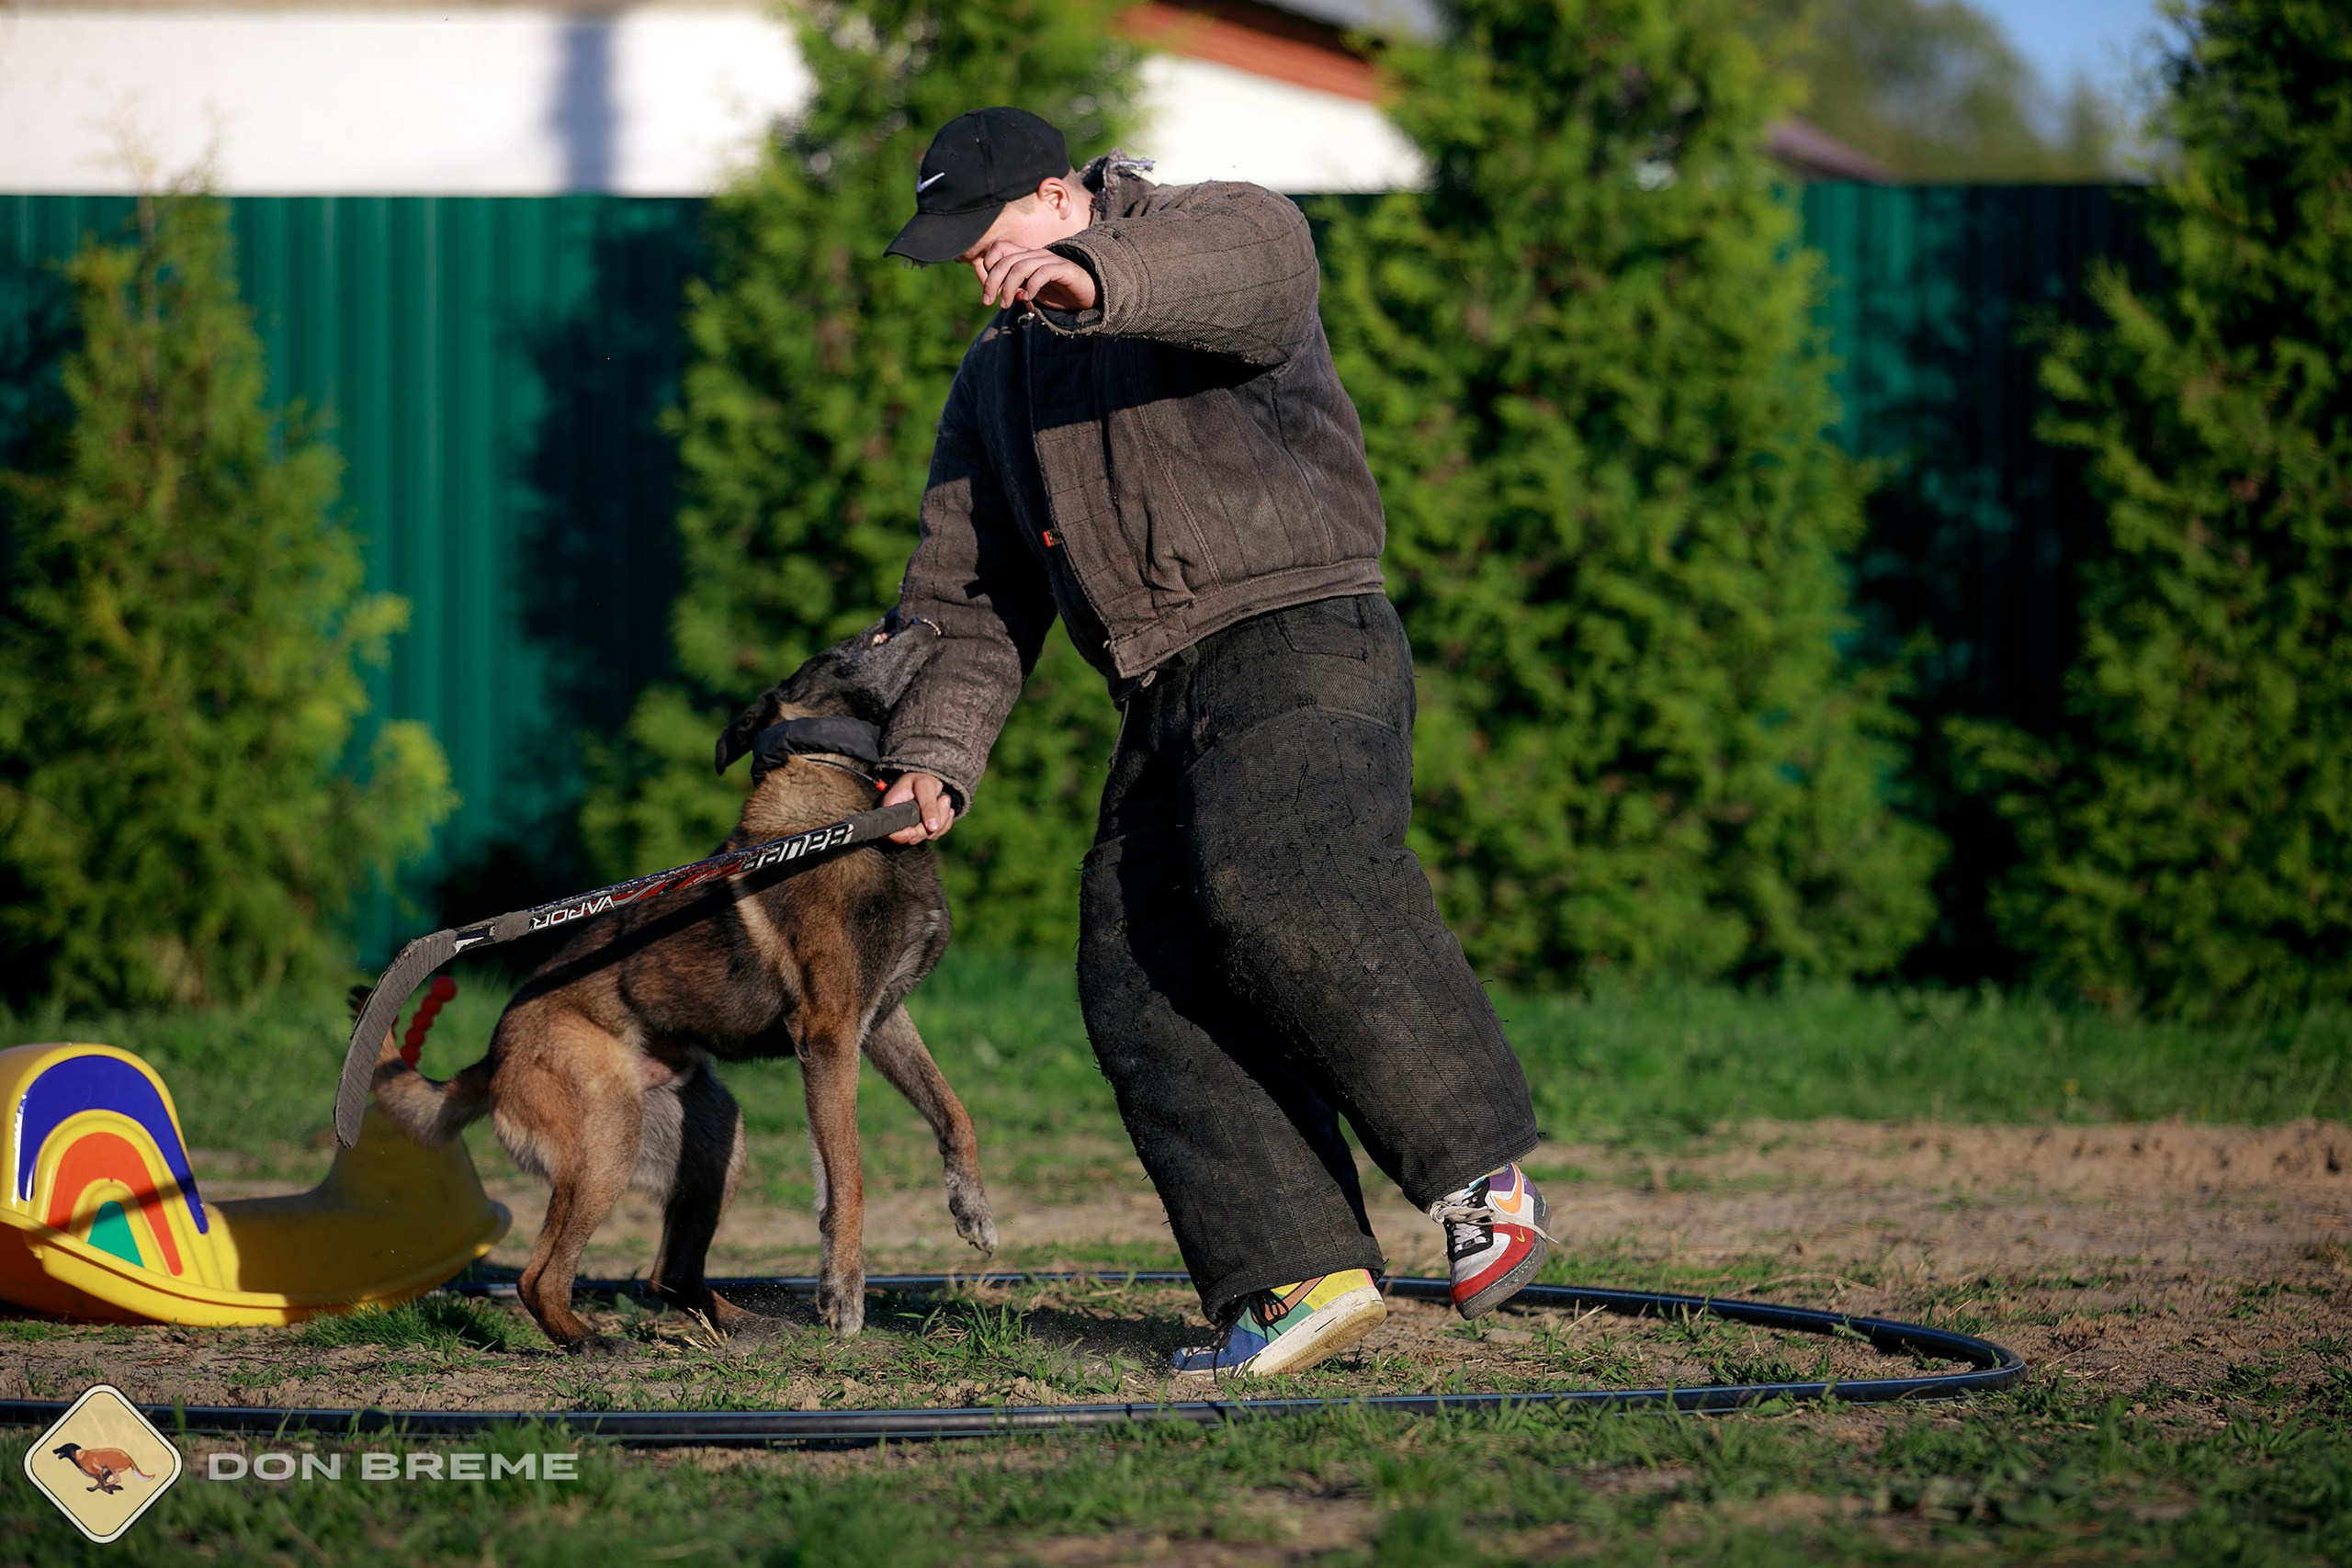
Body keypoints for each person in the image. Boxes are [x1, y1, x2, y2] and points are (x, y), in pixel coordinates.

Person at [868, 106, 1550, 1376]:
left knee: (1279, 871)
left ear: (1065, 197)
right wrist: (935, 753)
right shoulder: (992, 381)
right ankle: (1299, 1274)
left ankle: (1478, 1181)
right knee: (1136, 969)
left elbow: (1256, 279)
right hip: (1163, 684)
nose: (970, 260)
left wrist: (1093, 286)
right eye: (948, 242)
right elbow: (965, 594)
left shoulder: (1218, 228)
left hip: (1305, 632)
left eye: (986, 229)